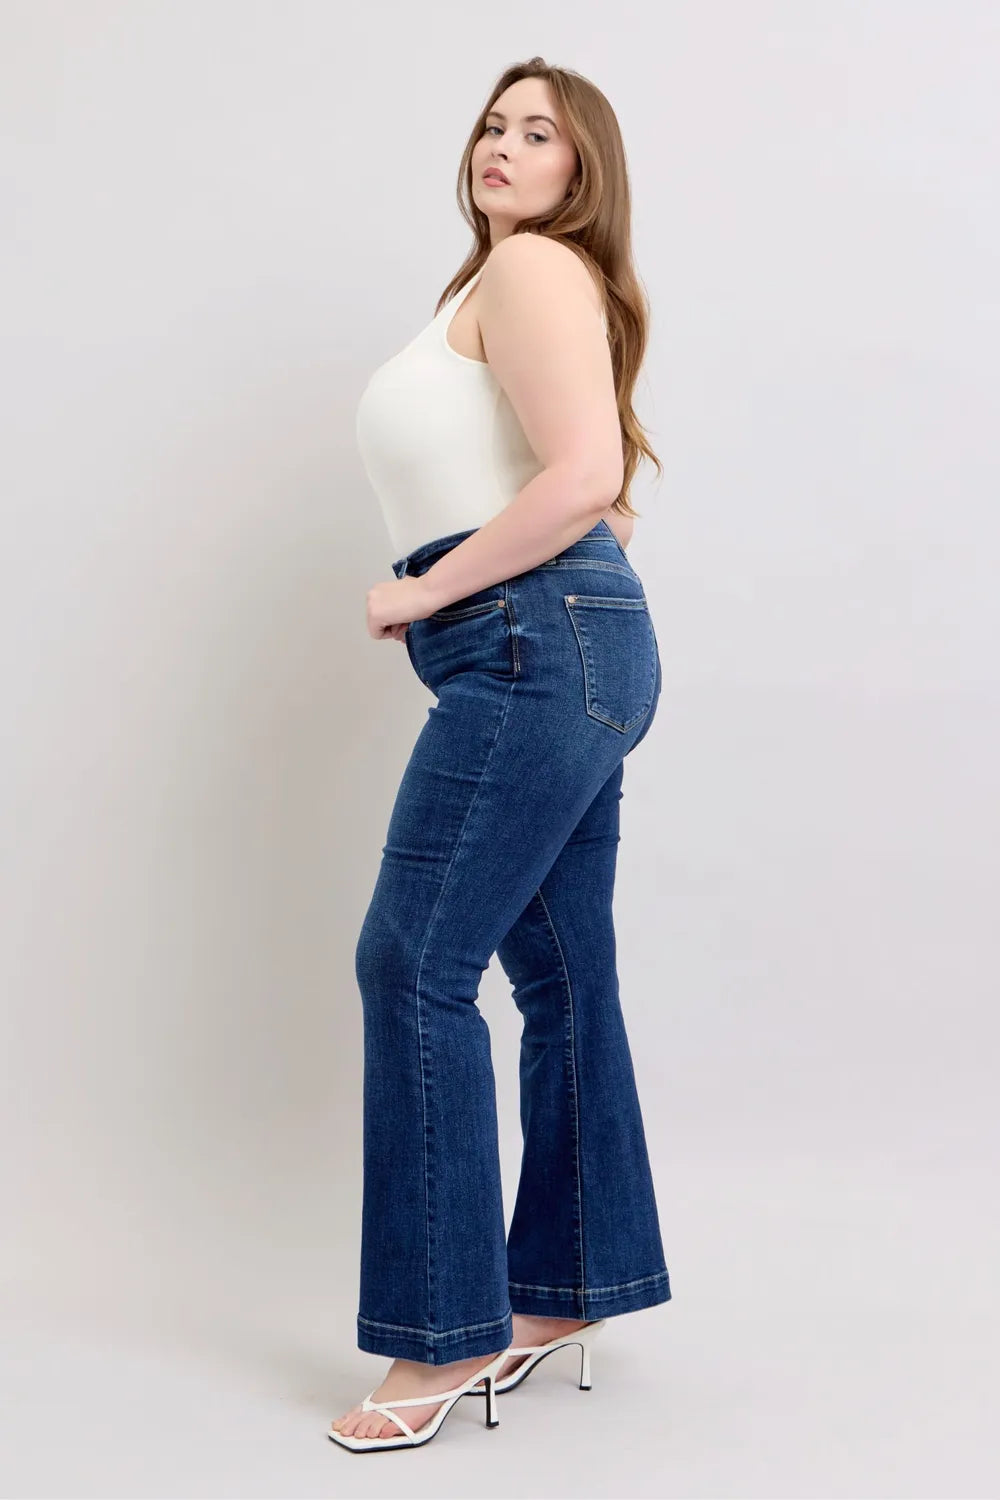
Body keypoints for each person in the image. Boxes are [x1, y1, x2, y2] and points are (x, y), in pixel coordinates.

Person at [329, 58, 672, 1453]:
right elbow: (598, 491)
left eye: (540, 132)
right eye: (492, 123)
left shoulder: (531, 265)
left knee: (411, 962)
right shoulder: (500, 283)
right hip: (562, 641)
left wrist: (422, 591)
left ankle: (443, 1335)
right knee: (560, 971)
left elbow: (584, 478)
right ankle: (569, 1286)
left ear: (581, 171)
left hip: (530, 645)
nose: (503, 145)